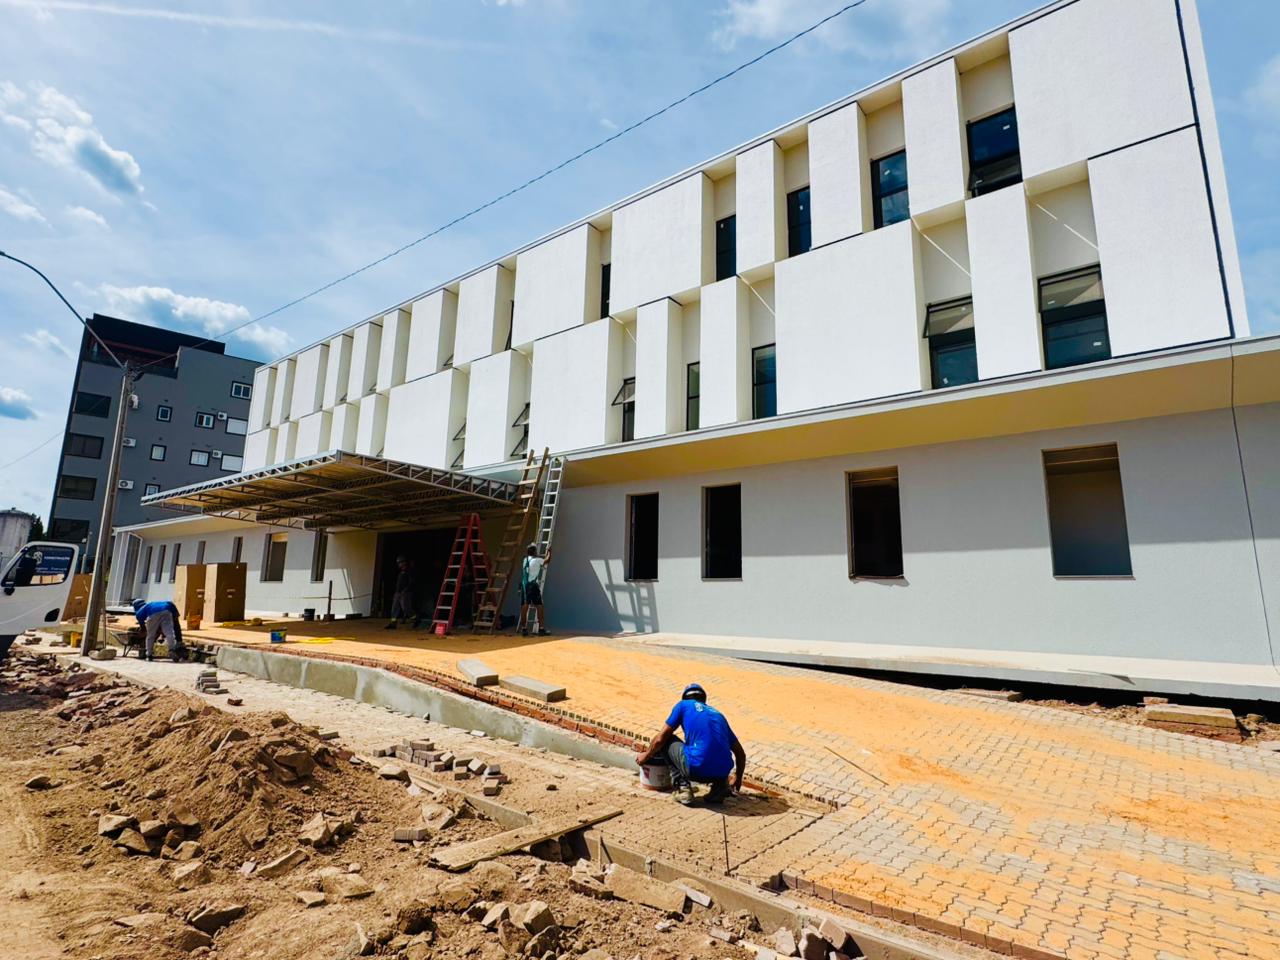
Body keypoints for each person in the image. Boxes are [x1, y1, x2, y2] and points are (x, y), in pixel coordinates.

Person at [636, 683, 747, 806]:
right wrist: (738, 777)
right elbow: (741, 754)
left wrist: (646, 755)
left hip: (696, 768)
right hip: (722, 772)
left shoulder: (683, 705)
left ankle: (683, 788)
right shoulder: (718, 715)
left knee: (667, 739)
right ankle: (720, 787)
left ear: (685, 698)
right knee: (716, 750)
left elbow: (660, 739)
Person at [517, 545, 550, 636]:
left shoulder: (525, 560)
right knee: (539, 606)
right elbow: (547, 561)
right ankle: (541, 629)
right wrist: (549, 552)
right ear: (535, 552)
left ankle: (524, 629)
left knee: (524, 606)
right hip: (533, 585)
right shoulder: (537, 560)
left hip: (525, 585)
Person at [385, 556, 414, 629]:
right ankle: (393, 623)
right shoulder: (400, 572)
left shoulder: (409, 571)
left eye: (400, 562)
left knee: (406, 608)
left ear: (404, 562)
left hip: (405, 594)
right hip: (398, 593)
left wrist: (405, 590)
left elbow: (411, 582)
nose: (399, 564)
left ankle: (415, 619)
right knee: (394, 609)